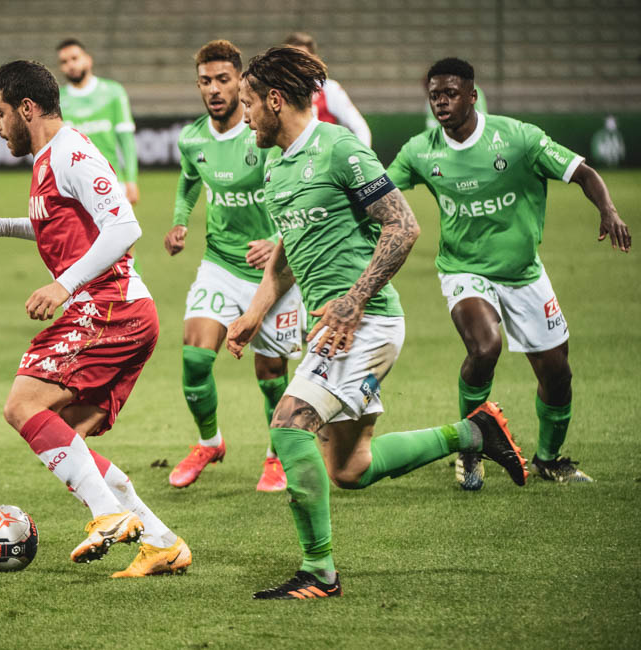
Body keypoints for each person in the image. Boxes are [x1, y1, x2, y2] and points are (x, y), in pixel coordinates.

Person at [226, 47, 528, 599]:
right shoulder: (275, 164)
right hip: (335, 327)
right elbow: (290, 248)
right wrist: (255, 312)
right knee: (350, 469)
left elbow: (403, 226)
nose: (243, 115)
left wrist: (354, 299)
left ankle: (319, 574)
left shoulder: (339, 148)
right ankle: (473, 432)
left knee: (289, 425)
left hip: (365, 324)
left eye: (248, 104)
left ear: (275, 100)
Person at [0, 60, 190, 578]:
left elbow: (124, 227)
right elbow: (59, 221)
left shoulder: (71, 153)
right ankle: (161, 543)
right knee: (66, 437)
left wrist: (62, 285)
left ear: (26, 108)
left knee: (22, 405)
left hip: (111, 307)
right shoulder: (50, 158)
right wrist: (1, 226)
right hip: (116, 310)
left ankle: (108, 513)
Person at [388, 57, 630, 489]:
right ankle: (469, 447)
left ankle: (549, 460)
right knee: (485, 347)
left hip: (522, 272)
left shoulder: (518, 138)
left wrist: (608, 211)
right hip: (463, 269)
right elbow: (378, 193)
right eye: (434, 95)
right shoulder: (419, 151)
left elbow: (583, 173)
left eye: (450, 94)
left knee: (557, 374)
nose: (441, 102)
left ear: (472, 95)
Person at [164, 40, 303, 492]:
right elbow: (189, 179)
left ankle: (276, 455)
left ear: (240, 82)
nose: (214, 89)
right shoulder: (192, 139)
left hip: (273, 272)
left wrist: (278, 241)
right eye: (205, 81)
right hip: (220, 263)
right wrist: (179, 221)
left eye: (223, 79)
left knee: (270, 375)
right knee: (194, 358)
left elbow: (296, 191)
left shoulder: (262, 133)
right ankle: (210, 442)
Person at [56, 39, 140, 204]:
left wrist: (131, 180)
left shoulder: (113, 92)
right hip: (72, 187)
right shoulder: (56, 99)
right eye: (64, 62)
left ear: (88, 60)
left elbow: (127, 142)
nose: (70, 65)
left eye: (75, 58)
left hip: (112, 182)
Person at [282, 33, 371, 146]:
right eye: (292, 59)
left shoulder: (329, 89)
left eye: (303, 58)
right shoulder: (275, 92)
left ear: (313, 60)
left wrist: (361, 156)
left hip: (322, 154)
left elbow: (359, 128)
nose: (297, 64)